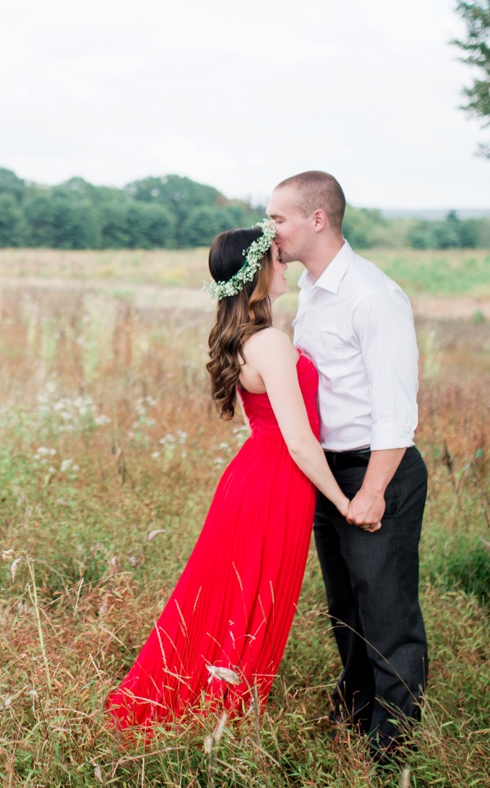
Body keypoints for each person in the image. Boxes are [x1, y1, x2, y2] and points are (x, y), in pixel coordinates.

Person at [106, 221, 377, 733]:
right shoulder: (270, 342)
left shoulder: (248, 338)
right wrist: (344, 502)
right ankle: (219, 709)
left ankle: (216, 701)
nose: (286, 263)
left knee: (235, 593)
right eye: (277, 257)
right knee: (254, 595)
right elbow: (298, 439)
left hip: (256, 475)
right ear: (256, 273)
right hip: (276, 481)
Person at [267, 170, 427, 763]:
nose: (270, 230)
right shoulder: (310, 288)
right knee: (347, 605)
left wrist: (374, 491)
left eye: (278, 218)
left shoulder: (371, 295)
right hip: (330, 475)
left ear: (316, 219)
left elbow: (394, 410)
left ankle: (395, 746)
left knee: (386, 608)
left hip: (374, 471)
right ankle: (358, 712)